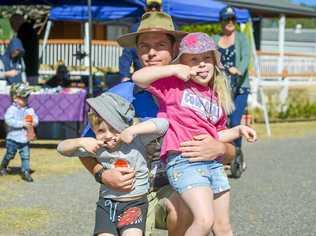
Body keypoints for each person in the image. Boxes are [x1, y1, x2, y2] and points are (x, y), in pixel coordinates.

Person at [82, 12, 237, 236]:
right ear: (136, 50)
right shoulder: (116, 96)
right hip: (130, 193)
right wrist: (101, 174)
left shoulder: (200, 94)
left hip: (174, 185)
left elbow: (230, 150)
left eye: (161, 45)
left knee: (183, 207)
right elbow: (85, 145)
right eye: (144, 46)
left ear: (175, 49)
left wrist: (221, 148)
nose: (152, 52)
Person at [133, 32, 256, 235]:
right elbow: (139, 77)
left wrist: (238, 130)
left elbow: (216, 135)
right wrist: (173, 68)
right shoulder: (174, 86)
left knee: (222, 226)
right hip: (184, 162)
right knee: (204, 220)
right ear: (183, 63)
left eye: (207, 58)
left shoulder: (216, 97)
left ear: (215, 62)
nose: (201, 65)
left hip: (213, 165)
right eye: (194, 59)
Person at [57, 92, 169, 236]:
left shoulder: (136, 140)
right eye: (101, 131)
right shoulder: (96, 147)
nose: (108, 135)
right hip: (107, 205)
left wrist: (132, 130)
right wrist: (80, 141)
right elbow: (61, 149)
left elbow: (163, 124)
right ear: (94, 131)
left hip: (134, 204)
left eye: (114, 128)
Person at [213, 6, 251, 176]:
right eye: (226, 19)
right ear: (221, 21)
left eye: (232, 19)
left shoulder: (242, 38)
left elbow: (245, 59)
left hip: (240, 88)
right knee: (219, 123)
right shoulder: (215, 39)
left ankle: (236, 155)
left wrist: (238, 70)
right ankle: (221, 154)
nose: (230, 22)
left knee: (235, 123)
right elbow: (211, 58)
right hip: (220, 89)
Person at [0, 83, 38, 182]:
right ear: (15, 98)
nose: (26, 100)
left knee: (25, 155)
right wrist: (22, 124)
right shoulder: (11, 110)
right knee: (10, 154)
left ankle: (25, 171)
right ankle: (3, 166)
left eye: (27, 97)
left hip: (24, 138)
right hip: (13, 138)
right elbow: (8, 120)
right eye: (23, 98)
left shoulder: (29, 109)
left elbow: (35, 119)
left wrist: (34, 122)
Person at [119, 0, 162, 82]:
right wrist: (125, 76)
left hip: (165, 78)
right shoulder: (136, 28)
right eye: (150, 7)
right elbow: (126, 55)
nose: (153, 10)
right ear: (145, 8)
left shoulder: (171, 27)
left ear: (161, 9)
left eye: (157, 7)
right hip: (142, 78)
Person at [10, 14, 39, 85]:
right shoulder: (29, 29)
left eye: (12, 23)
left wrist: (10, 56)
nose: (11, 26)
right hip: (32, 69)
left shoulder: (24, 31)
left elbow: (19, 51)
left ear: (17, 22)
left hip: (26, 71)